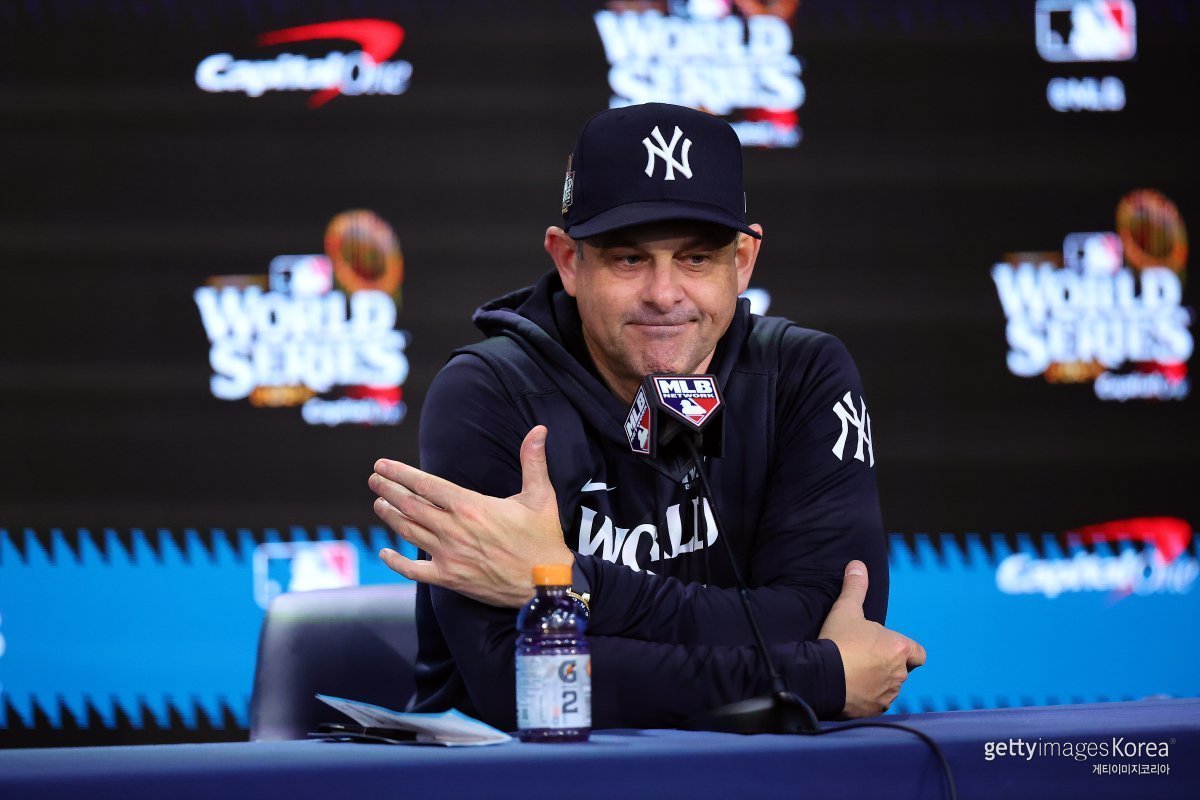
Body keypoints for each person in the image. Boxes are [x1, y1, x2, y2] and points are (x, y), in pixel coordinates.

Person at [368, 102, 925, 729]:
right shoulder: (487, 392)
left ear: (743, 261)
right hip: (527, 771)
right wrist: (814, 675)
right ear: (569, 261)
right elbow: (522, 683)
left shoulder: (802, 376)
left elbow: (831, 618)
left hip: (755, 769)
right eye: (629, 260)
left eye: (697, 258)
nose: (664, 295)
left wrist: (571, 584)